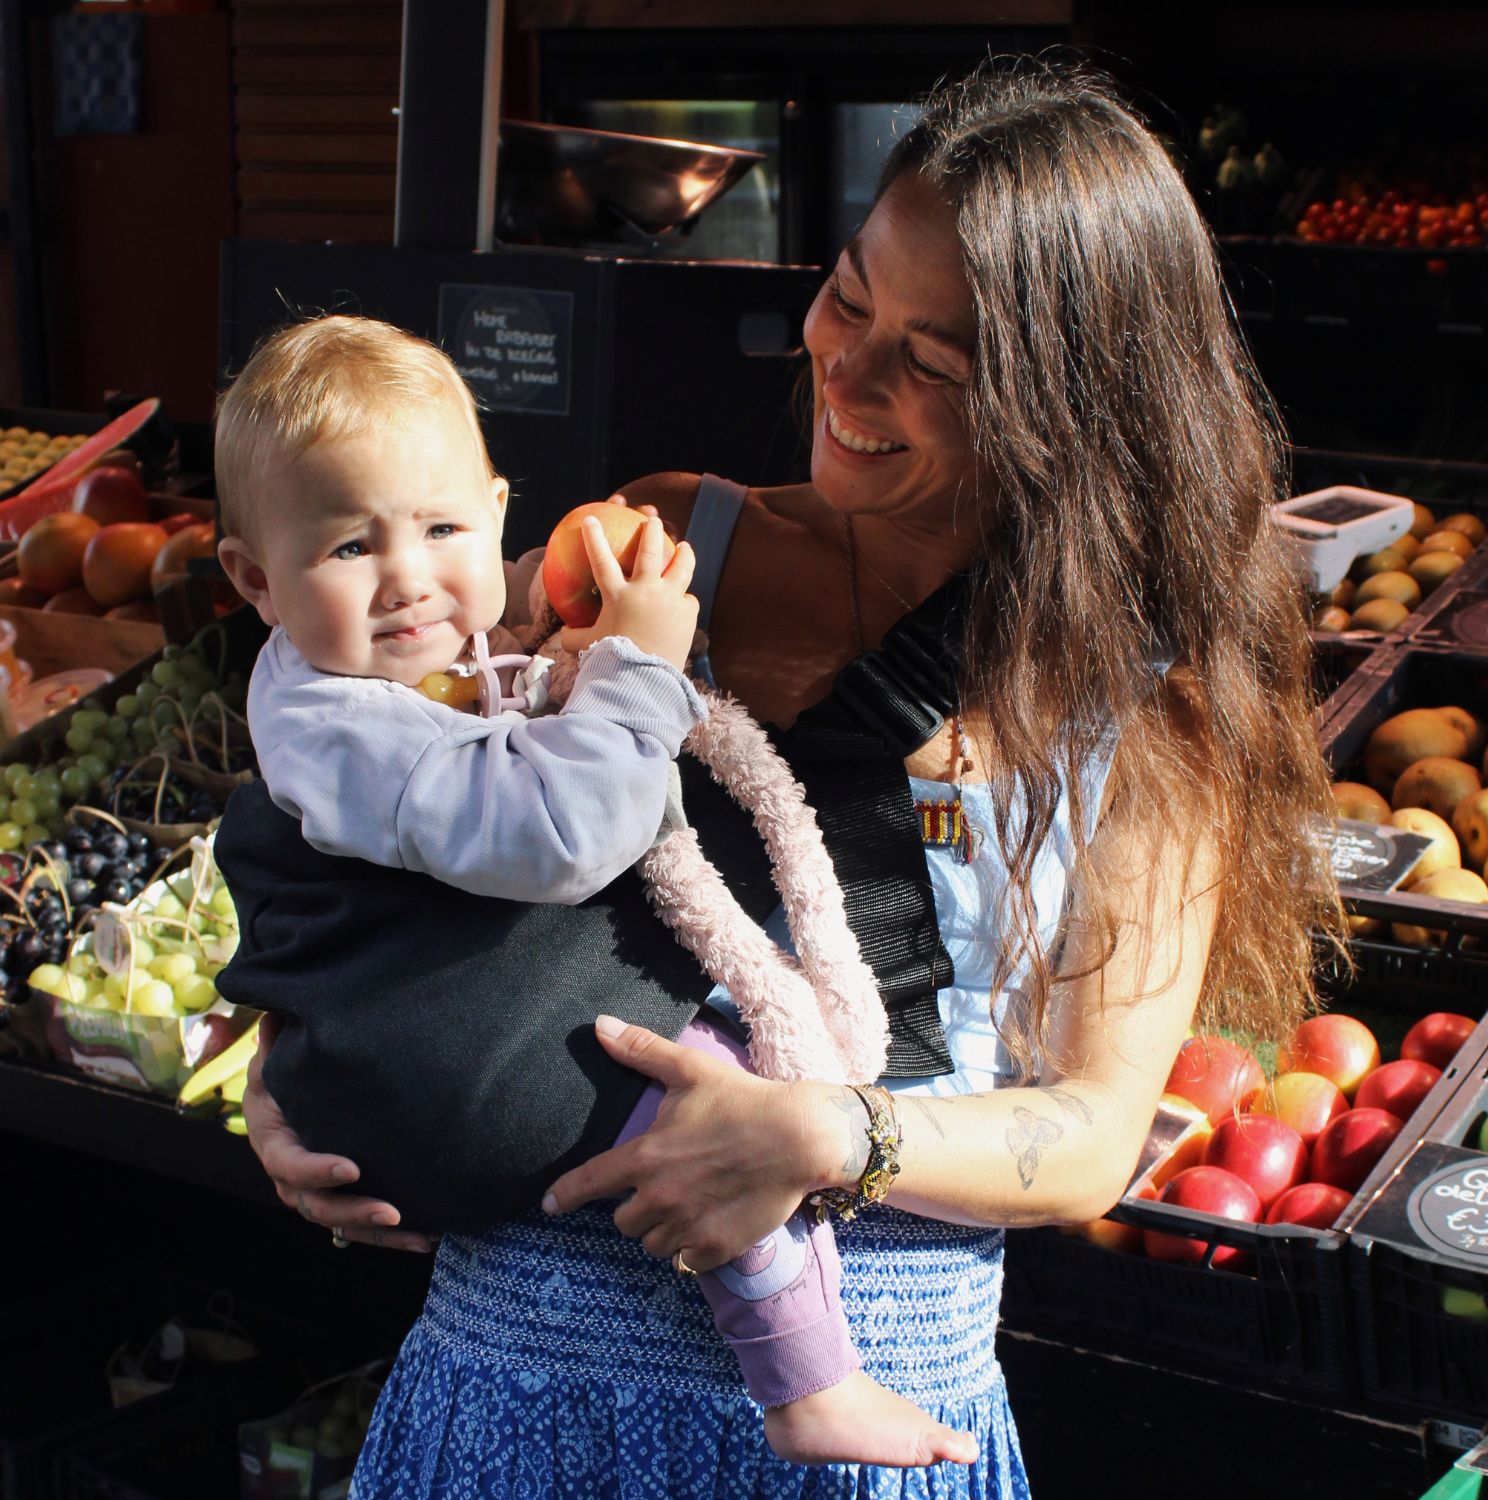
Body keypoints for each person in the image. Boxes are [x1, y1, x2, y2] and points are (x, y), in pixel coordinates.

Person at [242, 55, 1340, 1497]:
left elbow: (1091, 1131)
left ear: (1070, 406)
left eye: (933, 363)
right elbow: (388, 784)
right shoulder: (646, 548)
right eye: (849, 293)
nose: (849, 367)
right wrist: (307, 1059)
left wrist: (831, 1132)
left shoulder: (1140, 712)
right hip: (511, 1382)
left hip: (863, 1408)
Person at [211, 315, 976, 1471]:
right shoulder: (347, 724)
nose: (410, 579)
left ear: (502, 513)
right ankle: (809, 1382)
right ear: (254, 579)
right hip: (480, 1115)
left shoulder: (374, 673)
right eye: (349, 549)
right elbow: (558, 836)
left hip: (458, 1094)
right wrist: (639, 672)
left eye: (443, 529)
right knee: (715, 1103)